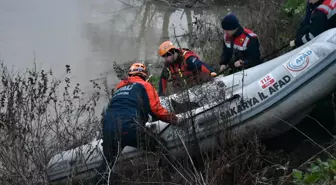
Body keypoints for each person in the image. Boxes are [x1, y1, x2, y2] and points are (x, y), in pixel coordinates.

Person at [101, 62, 182, 180]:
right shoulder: (145, 85)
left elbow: (107, 112)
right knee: (161, 146)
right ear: (144, 75)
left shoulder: (119, 89)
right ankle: (169, 178)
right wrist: (174, 119)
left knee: (105, 169)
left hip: (108, 130)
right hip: (128, 128)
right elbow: (156, 110)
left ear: (130, 75)